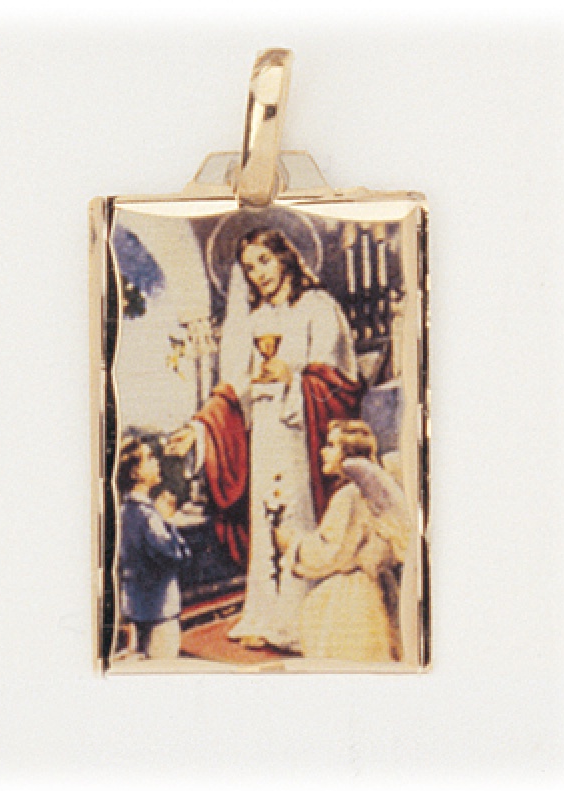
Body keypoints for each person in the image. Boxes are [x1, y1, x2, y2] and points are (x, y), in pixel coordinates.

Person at [166, 227, 363, 652]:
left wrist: (293, 377)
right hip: (265, 435)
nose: (258, 274)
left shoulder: (318, 307)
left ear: (285, 258)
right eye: (249, 267)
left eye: (264, 261)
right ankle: (266, 613)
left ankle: (299, 616)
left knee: (295, 516)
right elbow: (237, 388)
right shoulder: (257, 321)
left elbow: (337, 381)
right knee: (265, 521)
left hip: (301, 433)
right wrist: (198, 429)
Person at [292, 420, 409, 662]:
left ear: (349, 455)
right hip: (375, 585)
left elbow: (333, 554)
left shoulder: (349, 497)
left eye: (331, 445)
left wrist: (293, 546)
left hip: (355, 593)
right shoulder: (360, 492)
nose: (323, 451)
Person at [115, 437, 191, 660]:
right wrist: (168, 521)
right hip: (160, 614)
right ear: (134, 473)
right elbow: (178, 556)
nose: (157, 462)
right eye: (149, 458)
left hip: (134, 611)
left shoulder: (124, 512)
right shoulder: (150, 517)